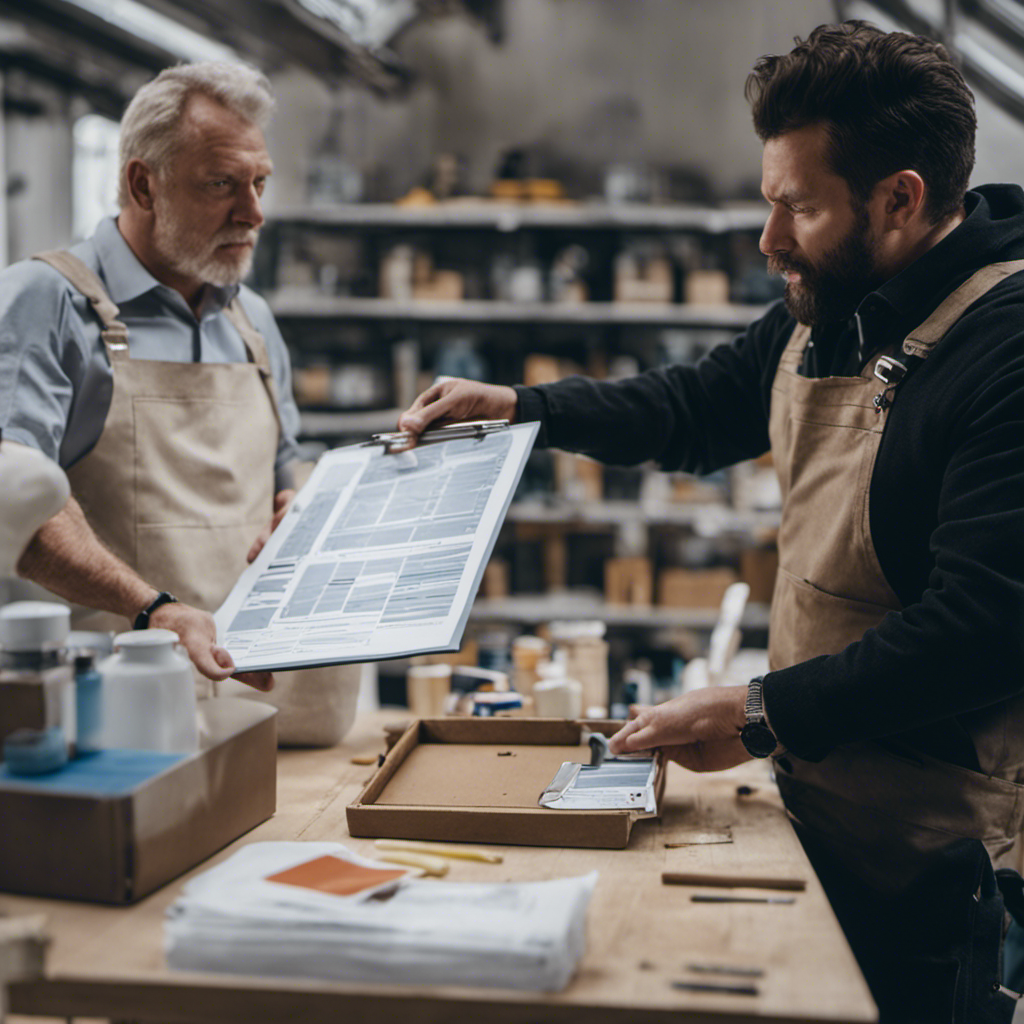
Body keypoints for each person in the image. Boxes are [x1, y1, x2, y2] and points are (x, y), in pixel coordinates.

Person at [398, 22, 1024, 1024]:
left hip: (931, 869)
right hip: (817, 807)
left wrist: (755, 711)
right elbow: (693, 407)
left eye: (798, 206)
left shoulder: (1004, 349)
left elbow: (987, 630)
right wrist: (525, 408)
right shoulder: (836, 300)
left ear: (900, 199)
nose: (769, 238)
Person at [0, 62, 359, 740]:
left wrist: (304, 502)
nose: (253, 214)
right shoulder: (45, 301)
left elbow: (287, 460)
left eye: (259, 184)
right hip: (115, 715)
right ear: (144, 184)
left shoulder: (252, 320)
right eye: (222, 184)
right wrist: (155, 610)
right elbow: (17, 510)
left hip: (266, 711)